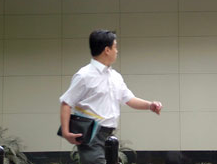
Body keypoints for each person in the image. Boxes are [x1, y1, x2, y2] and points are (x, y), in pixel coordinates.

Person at [59, 29, 162, 164]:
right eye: (115, 47)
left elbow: (129, 99)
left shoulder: (115, 77)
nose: (117, 51)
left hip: (108, 135)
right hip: (91, 134)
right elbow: (66, 102)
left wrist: (150, 105)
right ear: (107, 50)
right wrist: (66, 133)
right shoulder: (84, 75)